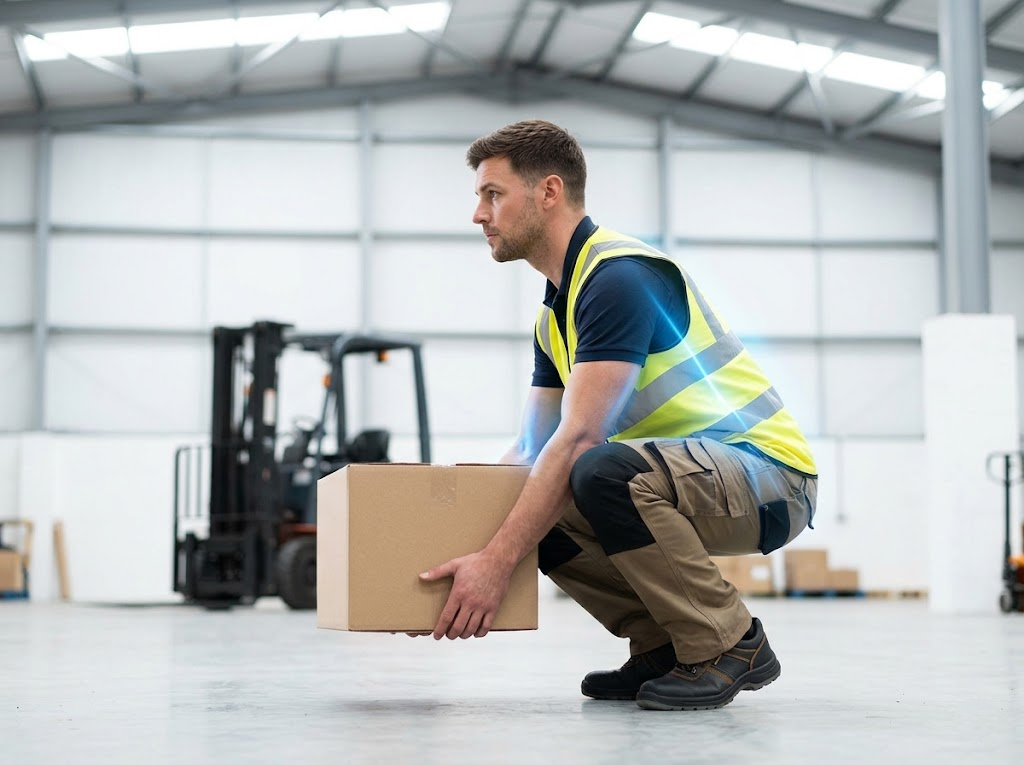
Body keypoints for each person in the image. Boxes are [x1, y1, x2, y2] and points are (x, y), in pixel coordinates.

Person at [418, 119, 818, 711]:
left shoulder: (618, 278)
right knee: (532, 505)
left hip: (769, 480)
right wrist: (439, 565)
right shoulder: (556, 313)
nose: (479, 214)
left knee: (599, 469)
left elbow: (578, 440)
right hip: (686, 477)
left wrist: (498, 563)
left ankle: (730, 644)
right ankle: (666, 644)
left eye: (492, 194)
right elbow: (529, 452)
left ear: (548, 192)